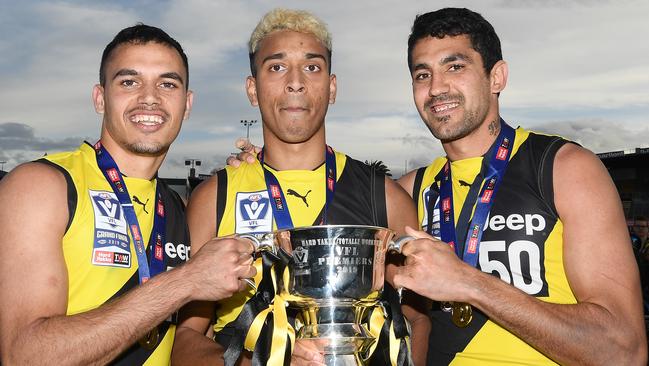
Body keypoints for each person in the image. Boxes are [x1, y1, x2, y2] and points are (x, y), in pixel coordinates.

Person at [171, 8, 430, 366]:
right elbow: (186, 340)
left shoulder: (385, 197)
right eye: (276, 67)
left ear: (332, 86)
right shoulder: (212, 199)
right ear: (252, 89)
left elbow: (416, 320)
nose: (296, 82)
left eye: (312, 67)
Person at [392, 8, 647, 365]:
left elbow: (624, 352)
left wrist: (469, 283)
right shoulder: (406, 193)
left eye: (455, 66)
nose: (436, 88)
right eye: (422, 74)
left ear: (496, 77)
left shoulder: (566, 169)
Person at [0, 24, 256, 365]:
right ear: (100, 97)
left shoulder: (177, 208)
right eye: (129, 82)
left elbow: (191, 340)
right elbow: (25, 356)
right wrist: (185, 281)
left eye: (167, 83)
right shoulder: (41, 185)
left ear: (187, 103)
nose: (150, 97)